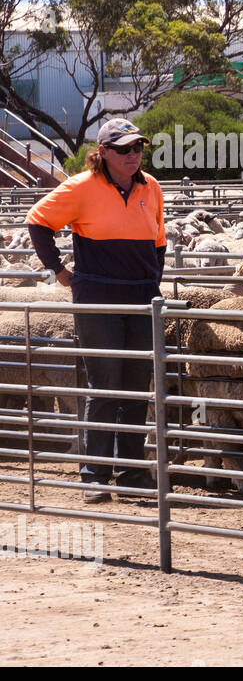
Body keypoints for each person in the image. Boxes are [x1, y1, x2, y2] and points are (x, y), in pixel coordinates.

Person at [26, 118, 167, 503]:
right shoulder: (80, 187)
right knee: (105, 384)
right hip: (97, 298)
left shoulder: (150, 186)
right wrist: (59, 270)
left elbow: (158, 240)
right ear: (103, 152)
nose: (133, 155)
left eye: (137, 148)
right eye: (123, 149)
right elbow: (38, 221)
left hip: (141, 296)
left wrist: (153, 279)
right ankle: (93, 474)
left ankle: (132, 473)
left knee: (138, 387)